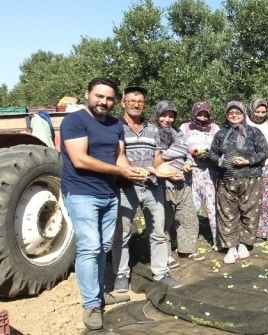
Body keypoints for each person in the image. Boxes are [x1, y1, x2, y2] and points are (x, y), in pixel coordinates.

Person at [60, 78, 145, 330]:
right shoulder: (75, 121)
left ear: (114, 101)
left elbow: (120, 157)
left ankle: (96, 294)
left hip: (108, 193)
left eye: (109, 98)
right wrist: (121, 172)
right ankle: (90, 305)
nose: (103, 102)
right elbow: (80, 160)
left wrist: (137, 170)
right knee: (89, 247)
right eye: (99, 96)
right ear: (87, 94)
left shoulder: (116, 124)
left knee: (102, 247)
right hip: (81, 192)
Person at [111, 85, 180, 294]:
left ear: (144, 104)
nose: (136, 105)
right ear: (123, 103)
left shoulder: (153, 129)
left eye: (140, 101)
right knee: (121, 234)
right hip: (125, 187)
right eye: (131, 101)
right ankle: (121, 274)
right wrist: (133, 170)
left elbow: (158, 158)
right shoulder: (115, 127)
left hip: (152, 187)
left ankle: (161, 272)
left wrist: (168, 171)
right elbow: (115, 157)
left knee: (158, 232)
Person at [209, 101, 268, 263]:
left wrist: (248, 161)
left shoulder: (254, 132)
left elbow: (264, 151)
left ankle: (244, 243)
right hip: (227, 178)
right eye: (231, 113)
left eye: (238, 113)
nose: (234, 115)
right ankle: (231, 246)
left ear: (244, 114)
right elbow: (213, 153)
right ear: (226, 115)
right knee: (228, 213)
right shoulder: (221, 134)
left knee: (249, 211)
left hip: (251, 177)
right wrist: (220, 161)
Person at [153, 101, 205, 268]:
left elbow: (186, 151)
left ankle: (187, 248)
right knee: (164, 221)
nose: (167, 119)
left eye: (171, 116)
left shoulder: (178, 133)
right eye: (164, 115)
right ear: (157, 115)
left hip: (183, 183)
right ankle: (165, 254)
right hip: (163, 184)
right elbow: (154, 156)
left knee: (188, 217)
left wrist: (187, 163)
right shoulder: (152, 133)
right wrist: (169, 173)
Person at [179, 101, 221, 250]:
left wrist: (211, 154)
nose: (202, 118)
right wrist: (191, 153)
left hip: (210, 172)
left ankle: (218, 241)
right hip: (191, 171)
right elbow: (179, 147)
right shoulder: (184, 127)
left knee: (213, 206)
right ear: (194, 113)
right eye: (199, 114)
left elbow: (219, 147)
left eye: (205, 115)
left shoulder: (215, 128)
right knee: (191, 207)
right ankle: (188, 243)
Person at [246, 98, 268, 243]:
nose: (260, 114)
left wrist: (261, 154)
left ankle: (262, 232)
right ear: (252, 110)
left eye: (263, 111)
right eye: (257, 111)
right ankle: (248, 230)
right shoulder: (245, 123)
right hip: (247, 166)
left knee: (266, 199)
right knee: (248, 198)